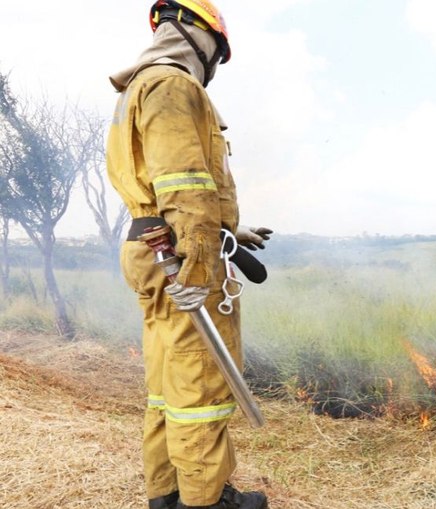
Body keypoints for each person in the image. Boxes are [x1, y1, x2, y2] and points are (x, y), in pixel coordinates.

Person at [106, 2, 271, 508]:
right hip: (181, 257)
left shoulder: (141, 86)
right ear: (203, 40)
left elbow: (159, 190)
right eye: (217, 53)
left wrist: (231, 233)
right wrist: (200, 268)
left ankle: (167, 494)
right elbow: (185, 187)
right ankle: (206, 500)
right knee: (199, 384)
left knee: (166, 382)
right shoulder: (174, 85)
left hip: (152, 247)